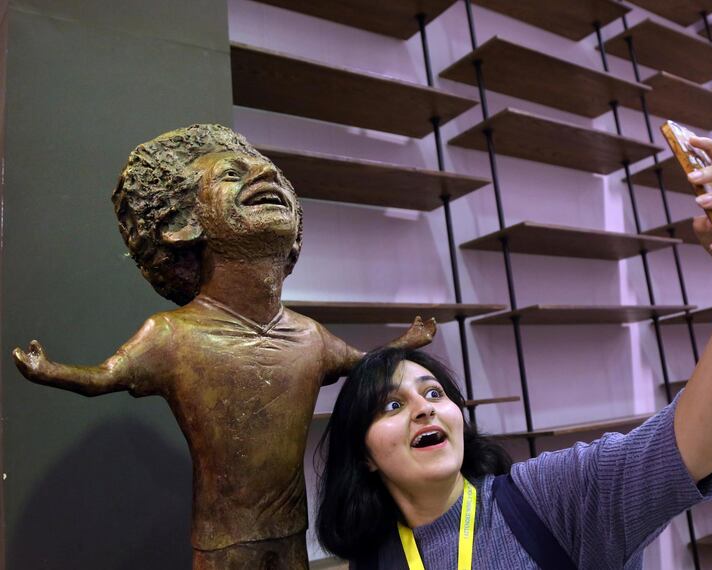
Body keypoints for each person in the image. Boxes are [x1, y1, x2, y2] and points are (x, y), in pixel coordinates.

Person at [316, 136, 712, 569]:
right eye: (393, 405)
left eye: (435, 393)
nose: (424, 409)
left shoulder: (549, 499)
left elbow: (684, 448)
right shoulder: (374, 560)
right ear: (365, 457)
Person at [13, 124, 436, 570]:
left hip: (292, 526)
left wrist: (404, 343)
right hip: (223, 539)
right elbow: (105, 376)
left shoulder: (309, 335)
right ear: (181, 225)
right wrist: (52, 370)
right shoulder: (173, 335)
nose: (263, 176)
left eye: (272, 173)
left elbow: (363, 364)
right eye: (233, 174)